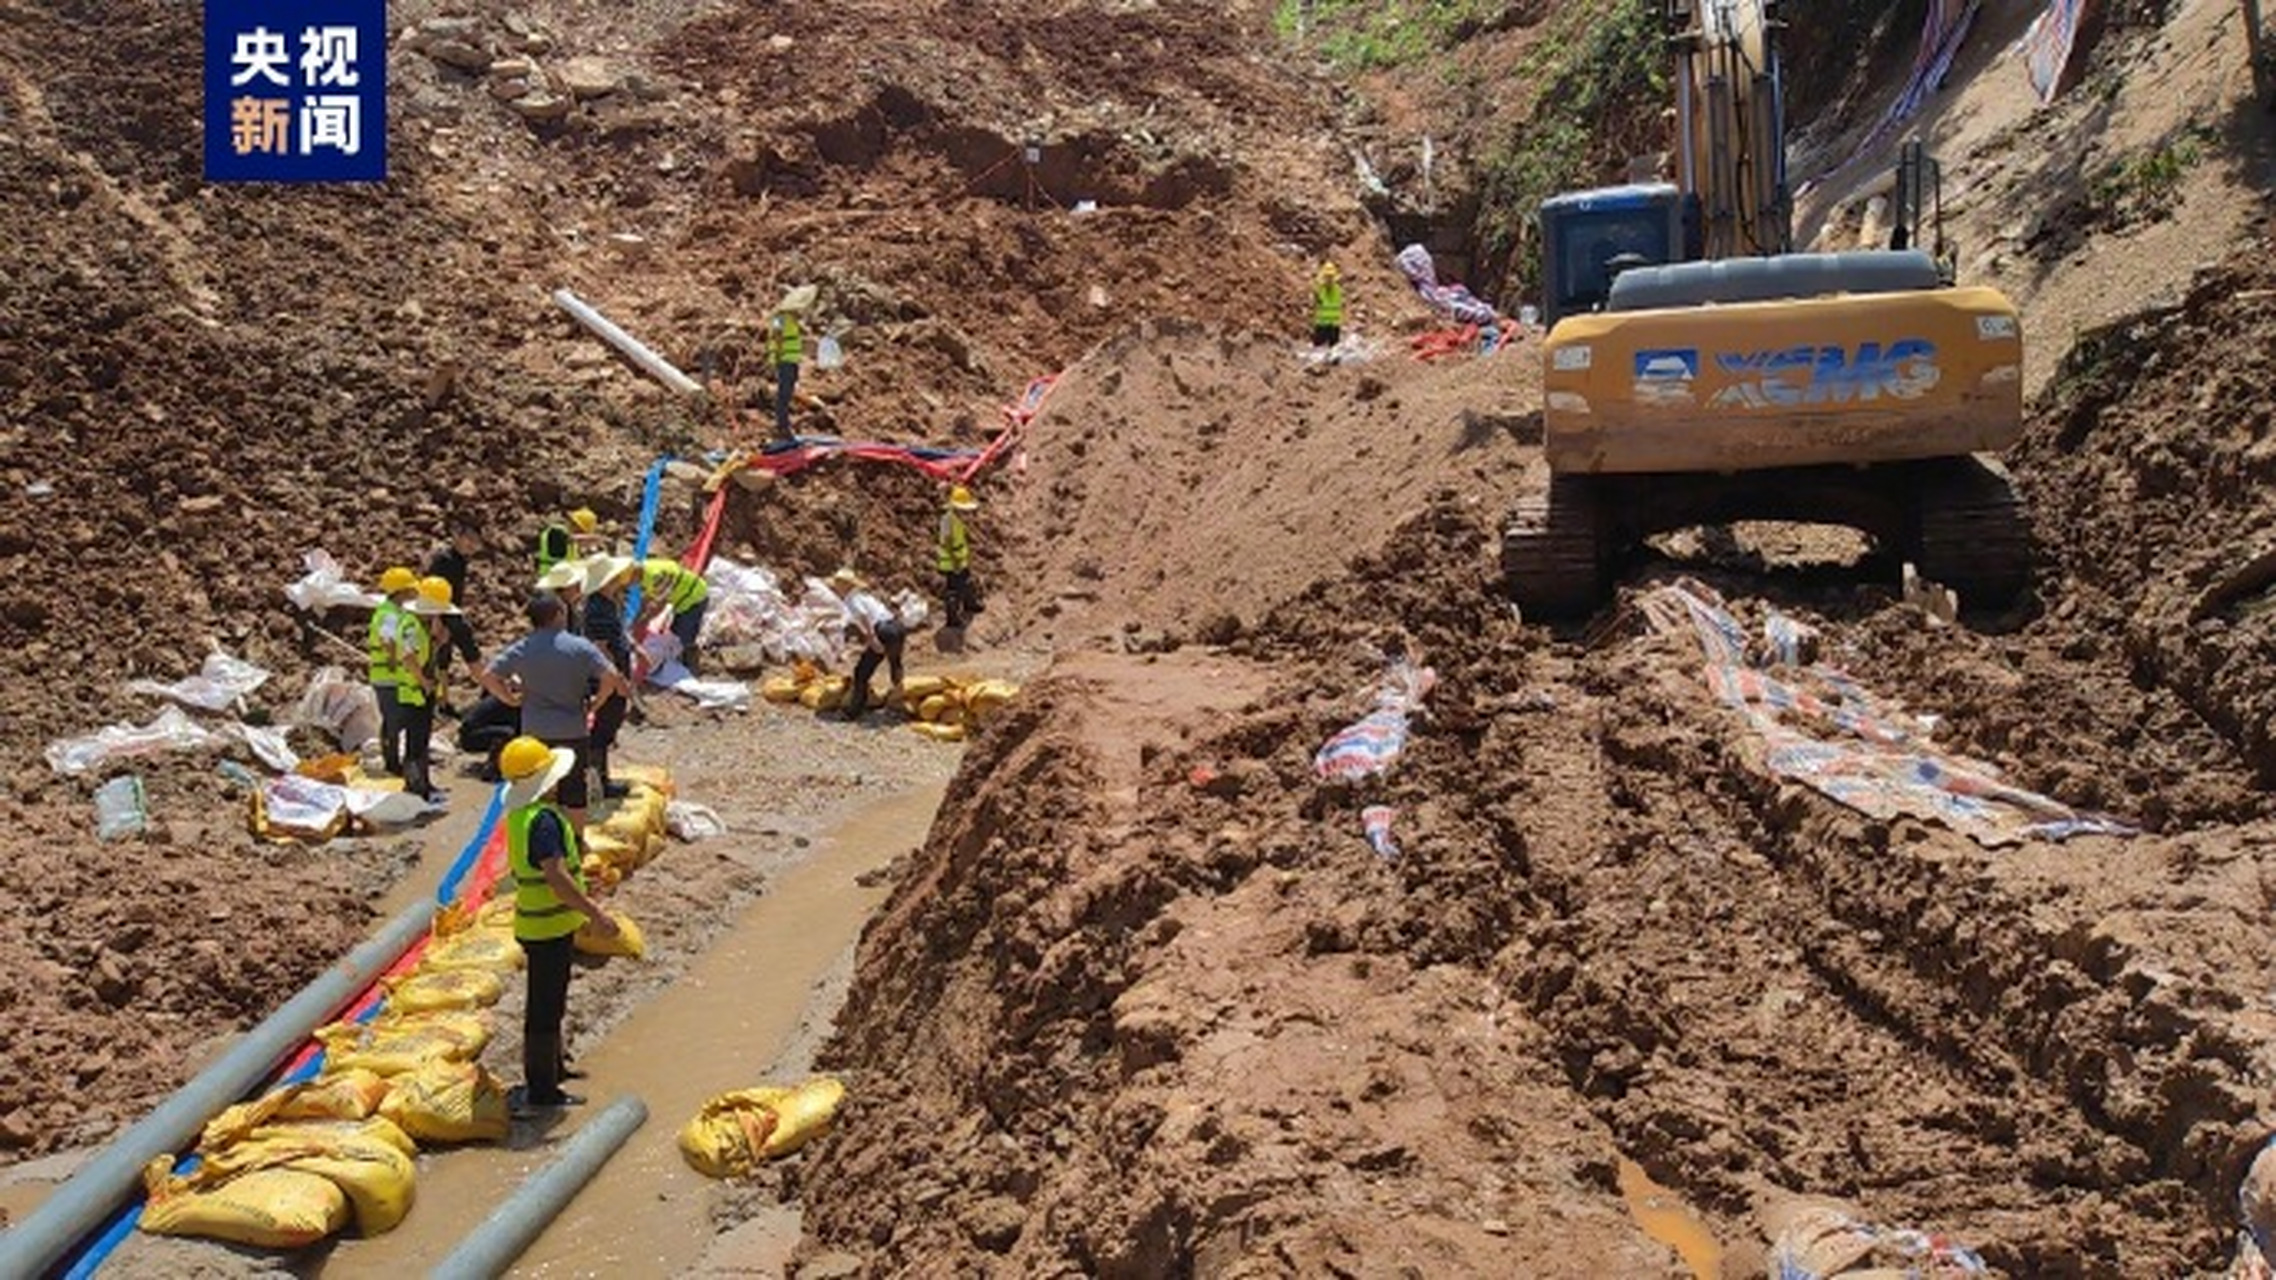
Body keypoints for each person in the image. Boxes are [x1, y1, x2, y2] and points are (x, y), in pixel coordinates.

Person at [496, 735, 618, 1113]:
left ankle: (555, 1067)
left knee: (553, 999)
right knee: (544, 1008)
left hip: (540, 924)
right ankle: (542, 1091)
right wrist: (595, 913)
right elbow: (557, 878)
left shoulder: (523, 816)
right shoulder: (544, 821)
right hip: (546, 926)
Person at [477, 591, 633, 837]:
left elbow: (488, 676)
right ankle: (576, 840)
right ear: (559, 615)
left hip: (534, 732)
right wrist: (596, 703)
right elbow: (611, 676)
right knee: (574, 790)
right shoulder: (579, 646)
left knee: (535, 789)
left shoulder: (522, 649)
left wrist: (509, 698)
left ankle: (537, 840)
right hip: (572, 728)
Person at [397, 577, 459, 802]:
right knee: (416, 743)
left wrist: (438, 643)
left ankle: (424, 786)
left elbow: (424, 653)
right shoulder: (412, 626)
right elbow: (407, 656)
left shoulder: (422, 625)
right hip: (414, 692)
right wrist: (423, 681)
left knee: (422, 741)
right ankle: (416, 790)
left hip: (423, 691)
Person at [581, 555, 638, 800]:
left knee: (605, 728)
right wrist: (619, 681)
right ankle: (598, 782)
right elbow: (602, 648)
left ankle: (598, 778)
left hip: (607, 676)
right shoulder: (599, 609)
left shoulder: (604, 603)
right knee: (604, 728)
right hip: (607, 678)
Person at [829, 567, 905, 721]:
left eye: (838, 585)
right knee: (895, 664)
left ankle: (853, 712)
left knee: (861, 673)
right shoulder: (863, 596)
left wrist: (872, 639)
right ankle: (902, 700)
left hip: (883, 631)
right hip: (896, 627)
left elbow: (863, 616)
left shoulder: (851, 599)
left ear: (844, 586)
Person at [423, 522, 483, 709]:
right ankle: (491, 688)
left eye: (476, 542)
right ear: (457, 535)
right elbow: (432, 591)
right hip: (442, 613)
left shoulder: (458, 559)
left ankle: (443, 699)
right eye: (469, 539)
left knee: (444, 658)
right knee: (465, 650)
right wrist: (438, 621)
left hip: (451, 612)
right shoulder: (445, 560)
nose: (472, 545)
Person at [367, 567, 420, 775]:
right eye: (410, 590)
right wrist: (393, 660)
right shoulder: (389, 614)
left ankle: (393, 760)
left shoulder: (394, 611)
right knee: (394, 721)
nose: (414, 594)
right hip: (388, 677)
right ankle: (392, 763)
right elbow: (387, 640)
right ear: (400, 591)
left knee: (394, 720)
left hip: (391, 676)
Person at [632, 556, 710, 677]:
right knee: (675, 629)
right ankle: (680, 650)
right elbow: (647, 597)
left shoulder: (656, 576)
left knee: (684, 632)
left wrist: (643, 621)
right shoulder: (645, 570)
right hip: (683, 598)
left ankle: (688, 656)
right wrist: (637, 618)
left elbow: (660, 604)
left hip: (694, 598)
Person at [765, 285, 816, 441]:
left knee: (787, 393)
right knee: (783, 394)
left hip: (792, 360)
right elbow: (777, 337)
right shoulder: (779, 318)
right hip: (784, 360)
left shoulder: (790, 318)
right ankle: (782, 427)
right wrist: (776, 358)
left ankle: (783, 425)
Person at [936, 485, 984, 630]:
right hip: (951, 562)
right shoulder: (947, 520)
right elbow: (948, 542)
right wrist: (956, 562)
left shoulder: (955, 518)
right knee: (954, 591)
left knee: (967, 581)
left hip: (959, 559)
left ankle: (970, 604)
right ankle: (952, 619)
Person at [537, 558, 587, 637]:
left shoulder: (569, 606)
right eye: (576, 585)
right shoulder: (553, 612)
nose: (579, 588)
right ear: (566, 588)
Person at [1311, 260, 1344, 348]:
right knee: (1317, 353)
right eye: (1327, 276)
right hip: (1321, 325)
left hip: (1334, 326)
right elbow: (1314, 301)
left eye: (1331, 277)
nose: (1329, 279)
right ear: (1323, 277)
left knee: (1333, 352)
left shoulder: (1338, 290)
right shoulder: (1319, 289)